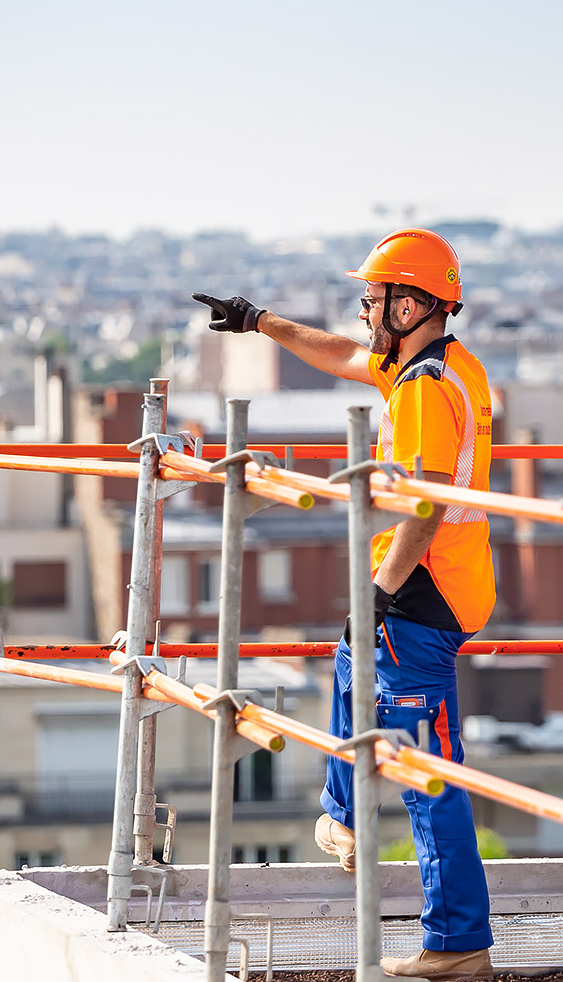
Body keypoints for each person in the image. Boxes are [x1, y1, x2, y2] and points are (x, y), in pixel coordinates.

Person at [194, 228, 495, 982]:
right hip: (438, 583)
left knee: (430, 774)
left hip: (426, 591)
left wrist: (380, 591)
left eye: (376, 298)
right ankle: (345, 817)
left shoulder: (426, 388)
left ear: (413, 303)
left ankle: (457, 944)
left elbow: (422, 506)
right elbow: (336, 353)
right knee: (351, 662)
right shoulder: (445, 366)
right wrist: (261, 320)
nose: (365, 311)